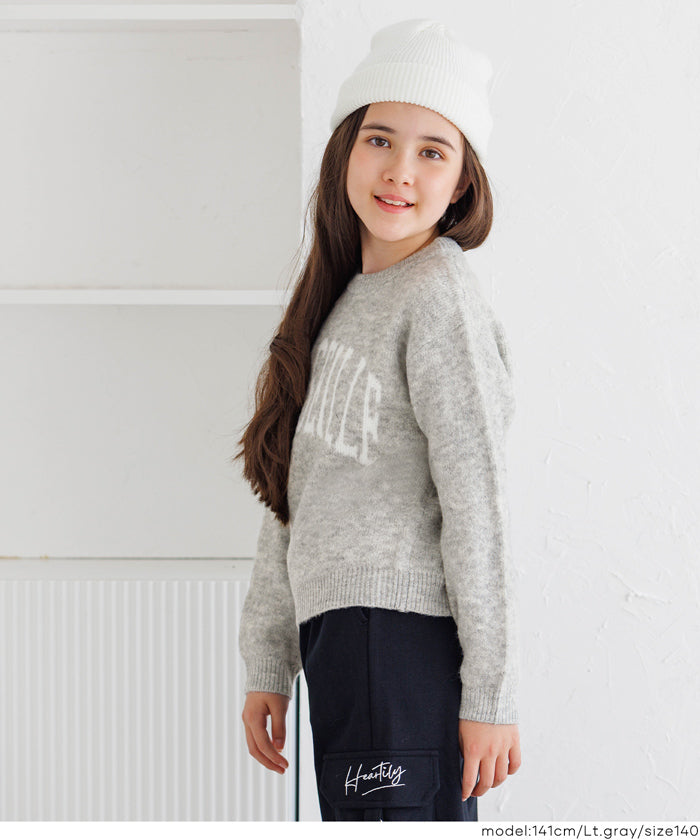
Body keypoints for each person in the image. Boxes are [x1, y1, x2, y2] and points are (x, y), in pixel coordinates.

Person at [234, 18, 522, 821]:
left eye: (433, 151)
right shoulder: (338, 305)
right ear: (345, 153)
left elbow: (478, 501)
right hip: (343, 640)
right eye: (380, 140)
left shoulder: (437, 296)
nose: (400, 171)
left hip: (399, 642)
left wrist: (491, 691)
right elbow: (293, 496)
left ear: (461, 183)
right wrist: (268, 657)